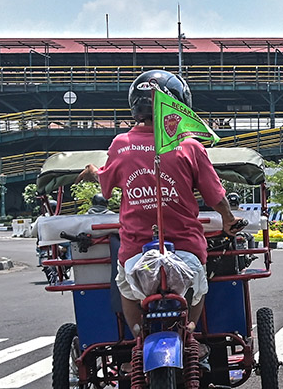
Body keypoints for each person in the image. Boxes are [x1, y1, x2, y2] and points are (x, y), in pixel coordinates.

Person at [77, 69, 239, 338]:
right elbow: (216, 197)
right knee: (199, 285)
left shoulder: (121, 144)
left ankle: (138, 339)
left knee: (125, 286)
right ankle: (189, 334)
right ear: (178, 104)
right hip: (185, 245)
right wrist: (229, 219)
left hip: (136, 248)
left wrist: (93, 171)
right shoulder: (190, 146)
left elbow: (105, 182)